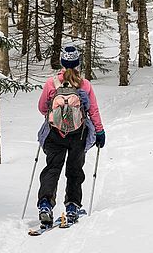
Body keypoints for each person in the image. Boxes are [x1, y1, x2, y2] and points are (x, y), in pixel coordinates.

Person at [36, 45, 105, 225]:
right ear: (77, 63)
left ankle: (45, 204)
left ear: (62, 62)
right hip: (78, 134)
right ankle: (73, 206)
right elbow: (93, 110)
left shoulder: (52, 83)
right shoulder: (85, 84)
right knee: (74, 170)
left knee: (52, 168)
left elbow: (42, 107)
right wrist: (99, 131)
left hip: (54, 133)